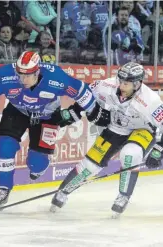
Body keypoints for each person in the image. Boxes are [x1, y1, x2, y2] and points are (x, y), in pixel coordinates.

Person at [0, 51, 110, 209]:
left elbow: (82, 91)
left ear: (37, 72)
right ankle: (3, 189)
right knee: (4, 146)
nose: (22, 78)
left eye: (27, 75)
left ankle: (39, 164)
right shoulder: (8, 74)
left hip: (47, 115)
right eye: (19, 74)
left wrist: (93, 110)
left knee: (35, 164)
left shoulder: (56, 77)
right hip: (17, 111)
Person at [49, 62, 163, 218]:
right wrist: (73, 114)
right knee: (89, 165)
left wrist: (158, 150)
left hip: (143, 130)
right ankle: (63, 191)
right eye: (120, 81)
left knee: (130, 154)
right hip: (116, 128)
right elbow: (86, 97)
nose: (121, 86)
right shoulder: (106, 85)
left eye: (126, 83)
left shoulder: (151, 100)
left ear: (137, 84)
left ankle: (123, 196)